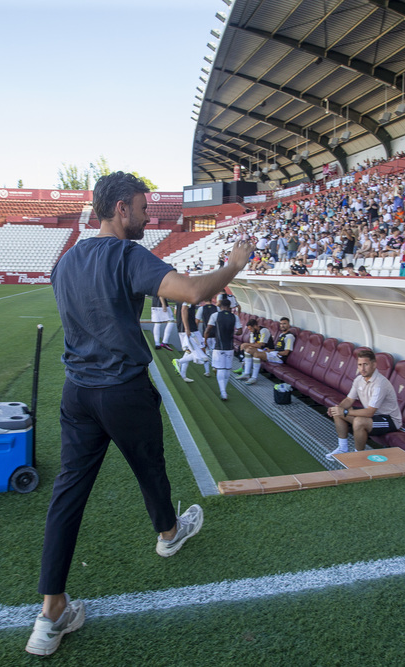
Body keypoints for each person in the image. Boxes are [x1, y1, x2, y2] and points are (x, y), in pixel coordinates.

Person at [29, 171, 252, 656]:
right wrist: (233, 265)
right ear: (119, 209)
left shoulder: (65, 262)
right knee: (150, 470)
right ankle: (169, 534)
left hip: (77, 393)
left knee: (67, 495)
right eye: (142, 206)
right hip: (122, 390)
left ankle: (50, 614)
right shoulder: (129, 254)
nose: (149, 216)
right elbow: (192, 293)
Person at [325, 349, 402, 458]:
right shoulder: (359, 380)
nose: (362, 368)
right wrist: (338, 409)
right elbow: (349, 400)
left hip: (389, 420)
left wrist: (346, 411)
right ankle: (343, 449)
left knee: (359, 421)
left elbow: (370, 412)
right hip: (373, 416)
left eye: (365, 364)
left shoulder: (380, 383)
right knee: (338, 412)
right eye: (360, 365)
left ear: (374, 365)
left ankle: (358, 457)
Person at [203, 296, 241, 400]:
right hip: (230, 347)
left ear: (221, 306)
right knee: (227, 369)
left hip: (218, 347)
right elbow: (240, 331)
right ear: (229, 306)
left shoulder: (215, 315)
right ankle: (224, 390)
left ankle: (223, 392)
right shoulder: (235, 317)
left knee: (220, 368)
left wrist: (205, 340)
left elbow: (208, 329)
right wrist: (235, 332)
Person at [237, 318, 272, 385]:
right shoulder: (253, 333)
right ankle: (246, 373)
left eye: (251, 329)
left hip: (268, 351)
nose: (250, 331)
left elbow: (261, 345)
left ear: (255, 326)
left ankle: (254, 377)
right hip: (259, 350)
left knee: (252, 351)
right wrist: (246, 346)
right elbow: (253, 344)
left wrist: (246, 344)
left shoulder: (264, 330)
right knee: (247, 350)